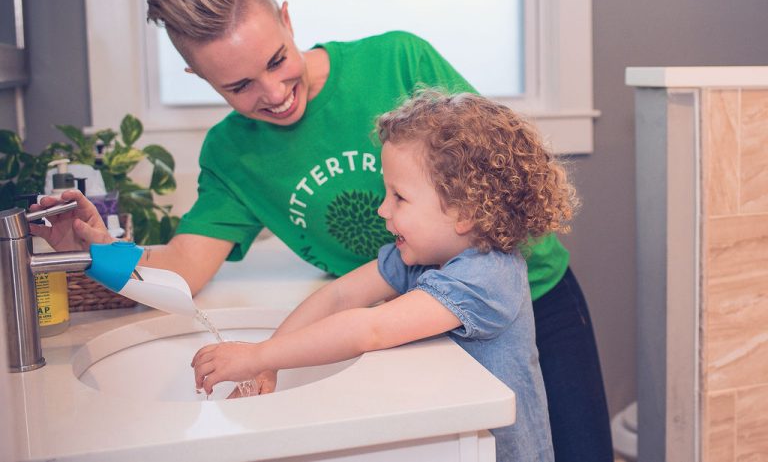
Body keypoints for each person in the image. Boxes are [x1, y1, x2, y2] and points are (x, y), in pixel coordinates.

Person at [32, 0, 613, 461]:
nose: (274, 92)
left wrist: (263, 353)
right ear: (199, 77)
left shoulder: (398, 62)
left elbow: (492, 164)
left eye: (277, 60)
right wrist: (96, 251)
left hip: (534, 293)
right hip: (415, 310)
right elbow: (186, 266)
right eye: (239, 87)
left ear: (288, 19)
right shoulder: (234, 154)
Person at [194, 90, 574, 461]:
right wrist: (267, 363)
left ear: (464, 213)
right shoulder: (419, 256)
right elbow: (339, 297)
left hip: (497, 451)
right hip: (450, 438)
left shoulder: (488, 276)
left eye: (399, 198)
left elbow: (370, 328)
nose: (381, 210)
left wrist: (259, 352)